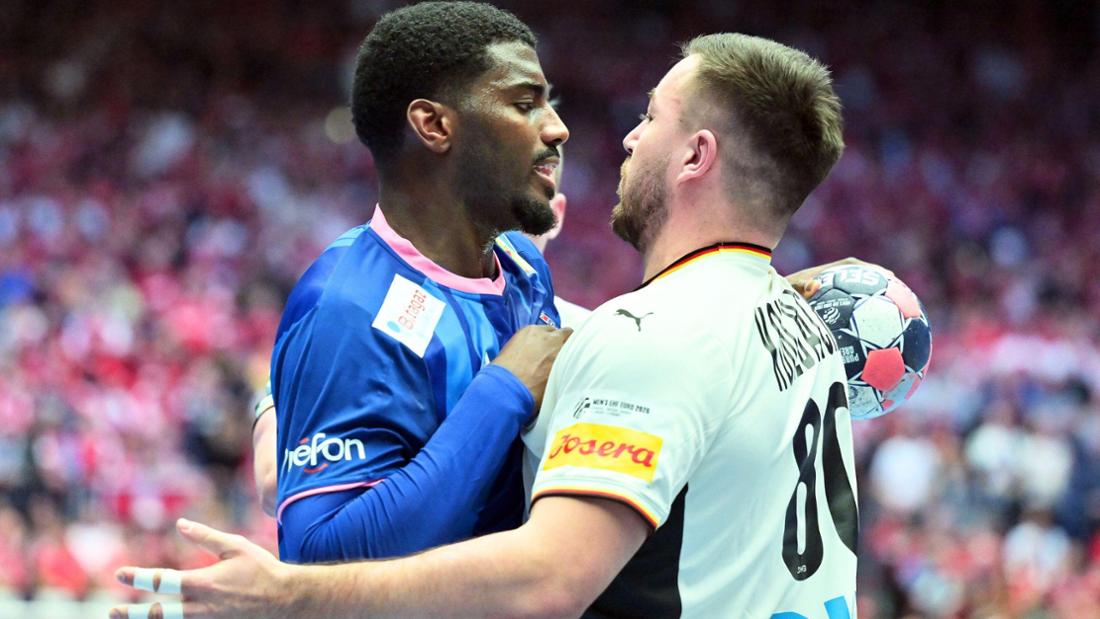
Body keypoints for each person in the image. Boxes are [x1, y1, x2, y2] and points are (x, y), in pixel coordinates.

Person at [113, 32, 861, 618]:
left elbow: (548, 580)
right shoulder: (794, 319)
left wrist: (286, 597)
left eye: (649, 117)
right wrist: (282, 393)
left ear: (698, 155)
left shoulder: (654, 335)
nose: (622, 137)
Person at [266, 1, 575, 563]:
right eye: (525, 103)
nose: (557, 127)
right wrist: (501, 392)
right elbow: (317, 557)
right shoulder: (346, 307)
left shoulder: (524, 268)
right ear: (433, 125)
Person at [250, 150, 589, 518]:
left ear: (553, 215)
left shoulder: (584, 339)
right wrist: (270, 399)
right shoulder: (389, 316)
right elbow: (279, 484)